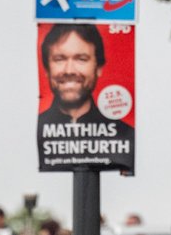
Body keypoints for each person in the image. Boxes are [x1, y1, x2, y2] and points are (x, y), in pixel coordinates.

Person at [37, 24, 134, 171]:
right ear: (46, 69)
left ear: (99, 67)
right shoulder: (25, 136)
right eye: (59, 59)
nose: (69, 70)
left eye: (81, 59)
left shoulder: (124, 134)